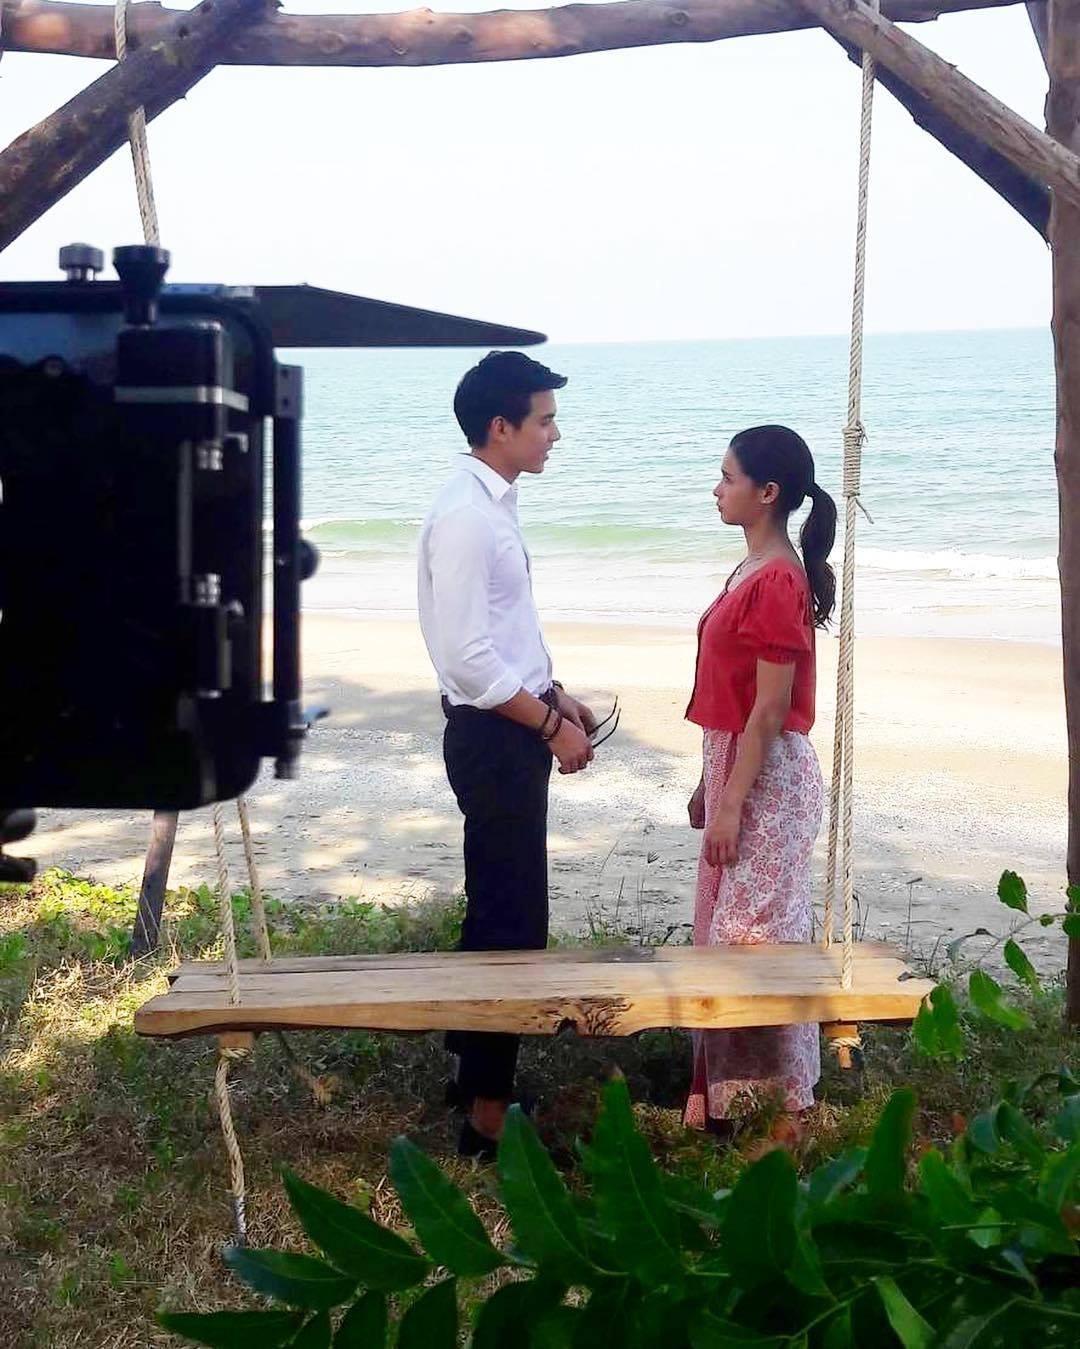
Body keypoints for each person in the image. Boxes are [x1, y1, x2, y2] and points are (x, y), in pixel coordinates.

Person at [418, 350, 596, 1159]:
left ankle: (471, 1072)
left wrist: (556, 692)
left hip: (508, 723)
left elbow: (503, 636)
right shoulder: (467, 515)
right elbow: (468, 660)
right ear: (501, 427)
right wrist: (549, 725)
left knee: (498, 906)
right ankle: (489, 1118)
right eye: (545, 420)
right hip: (495, 737)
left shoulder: (491, 501)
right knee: (512, 921)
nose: (555, 434)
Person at [683, 424, 837, 1138]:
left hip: (768, 782)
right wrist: (707, 785)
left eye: (728, 476)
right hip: (738, 767)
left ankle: (780, 1115)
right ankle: (736, 1105)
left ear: (767, 492)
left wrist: (733, 804)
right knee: (729, 936)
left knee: (753, 942)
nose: (717, 488)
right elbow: (736, 695)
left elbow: (770, 709)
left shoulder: (777, 579)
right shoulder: (751, 567)